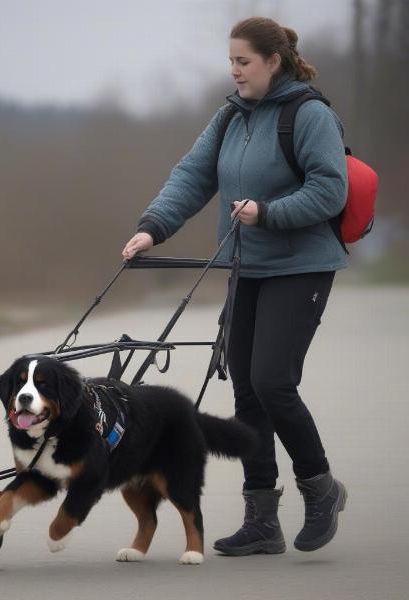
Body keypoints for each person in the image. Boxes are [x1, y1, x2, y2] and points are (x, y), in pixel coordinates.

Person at [121, 16, 348, 556]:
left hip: (301, 267)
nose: (235, 71)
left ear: (274, 61)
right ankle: (262, 519)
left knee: (272, 382)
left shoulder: (309, 115)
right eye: (231, 62)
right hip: (247, 267)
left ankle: (321, 490)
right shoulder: (231, 116)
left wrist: (267, 212)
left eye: (244, 62)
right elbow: (192, 176)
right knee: (246, 390)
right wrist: (151, 228)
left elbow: (330, 188)